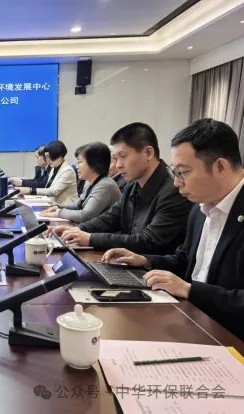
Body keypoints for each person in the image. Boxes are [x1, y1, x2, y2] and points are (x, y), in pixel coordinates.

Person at [102, 119, 244, 340]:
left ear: (220, 167)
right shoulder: (200, 208)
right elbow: (185, 259)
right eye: (174, 172)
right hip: (191, 320)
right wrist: (144, 260)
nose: (176, 183)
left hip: (229, 338)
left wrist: (190, 290)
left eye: (183, 172)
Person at [51, 122, 192, 254]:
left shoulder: (174, 190)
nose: (118, 165)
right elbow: (112, 218)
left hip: (154, 268)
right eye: (115, 158)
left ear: (148, 153)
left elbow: (148, 241)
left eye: (123, 156)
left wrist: (90, 238)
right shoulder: (133, 185)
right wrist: (79, 229)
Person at [40, 142, 120, 223]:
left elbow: (84, 216)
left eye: (79, 162)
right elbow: (77, 205)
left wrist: (59, 213)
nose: (76, 166)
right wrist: (58, 207)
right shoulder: (94, 182)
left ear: (94, 163)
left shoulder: (105, 185)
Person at [16, 140, 78, 206]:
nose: (47, 160)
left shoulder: (68, 171)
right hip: (53, 205)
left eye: (49, 157)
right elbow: (47, 188)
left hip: (65, 208)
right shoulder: (54, 168)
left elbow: (53, 191)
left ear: (59, 157)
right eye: (46, 157)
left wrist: (30, 190)